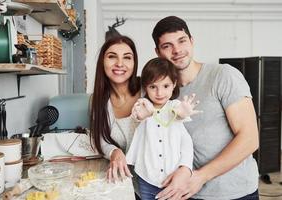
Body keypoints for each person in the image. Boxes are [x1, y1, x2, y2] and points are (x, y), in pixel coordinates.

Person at [152, 16, 259, 200]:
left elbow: (250, 139)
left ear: (192, 41)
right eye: (167, 46)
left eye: (182, 40)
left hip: (235, 193)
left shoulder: (223, 75)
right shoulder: (163, 91)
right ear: (158, 52)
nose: (177, 50)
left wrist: (201, 177)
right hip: (189, 193)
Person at [126, 57, 200, 200]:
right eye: (153, 87)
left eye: (165, 86)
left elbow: (181, 121)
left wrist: (183, 113)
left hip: (174, 178)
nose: (159, 93)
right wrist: (143, 115)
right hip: (147, 177)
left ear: (174, 85)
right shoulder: (143, 105)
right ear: (145, 87)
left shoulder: (175, 107)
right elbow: (137, 117)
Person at [89, 35, 141, 198]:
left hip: (158, 182)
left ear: (134, 63)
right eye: (112, 56)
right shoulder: (97, 100)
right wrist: (114, 152)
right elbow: (101, 139)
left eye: (127, 57)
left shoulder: (150, 88)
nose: (120, 63)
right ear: (102, 62)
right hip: (121, 181)